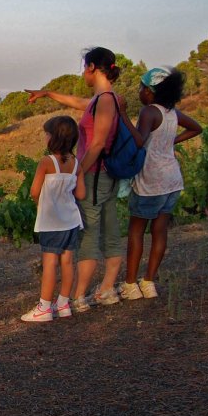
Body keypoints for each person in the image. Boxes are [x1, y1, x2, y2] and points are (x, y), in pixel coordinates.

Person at [26, 47, 125, 313]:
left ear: (92, 67)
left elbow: (99, 143)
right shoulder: (108, 98)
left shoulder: (104, 100)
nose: (83, 74)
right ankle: (107, 289)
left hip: (94, 176)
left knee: (90, 237)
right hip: (105, 176)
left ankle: (78, 298)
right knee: (111, 232)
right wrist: (47, 93)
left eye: (84, 68)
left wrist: (75, 172)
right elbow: (76, 102)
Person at [117, 67, 202, 299]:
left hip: (151, 180)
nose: (139, 91)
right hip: (172, 180)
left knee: (136, 230)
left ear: (151, 92)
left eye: (142, 87)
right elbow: (197, 128)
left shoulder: (149, 112)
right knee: (160, 230)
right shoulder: (172, 113)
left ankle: (130, 285)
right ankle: (149, 282)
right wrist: (171, 141)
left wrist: (123, 115)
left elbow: (138, 141)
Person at [21, 116, 86, 322]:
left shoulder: (46, 162)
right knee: (67, 262)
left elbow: (34, 191)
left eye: (46, 134)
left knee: (50, 263)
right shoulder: (76, 164)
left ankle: (44, 308)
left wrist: (40, 201)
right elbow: (81, 195)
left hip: (52, 222)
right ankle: (64, 304)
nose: (45, 137)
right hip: (71, 221)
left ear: (53, 138)